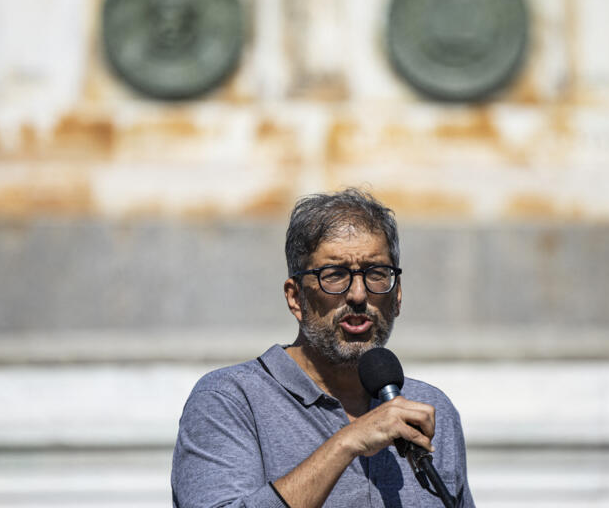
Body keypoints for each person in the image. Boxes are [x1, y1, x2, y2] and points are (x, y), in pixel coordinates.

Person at [171, 188, 474, 507]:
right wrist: (347, 442)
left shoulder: (428, 408)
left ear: (397, 296)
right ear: (295, 297)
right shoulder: (229, 401)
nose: (358, 294)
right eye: (334, 275)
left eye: (376, 274)